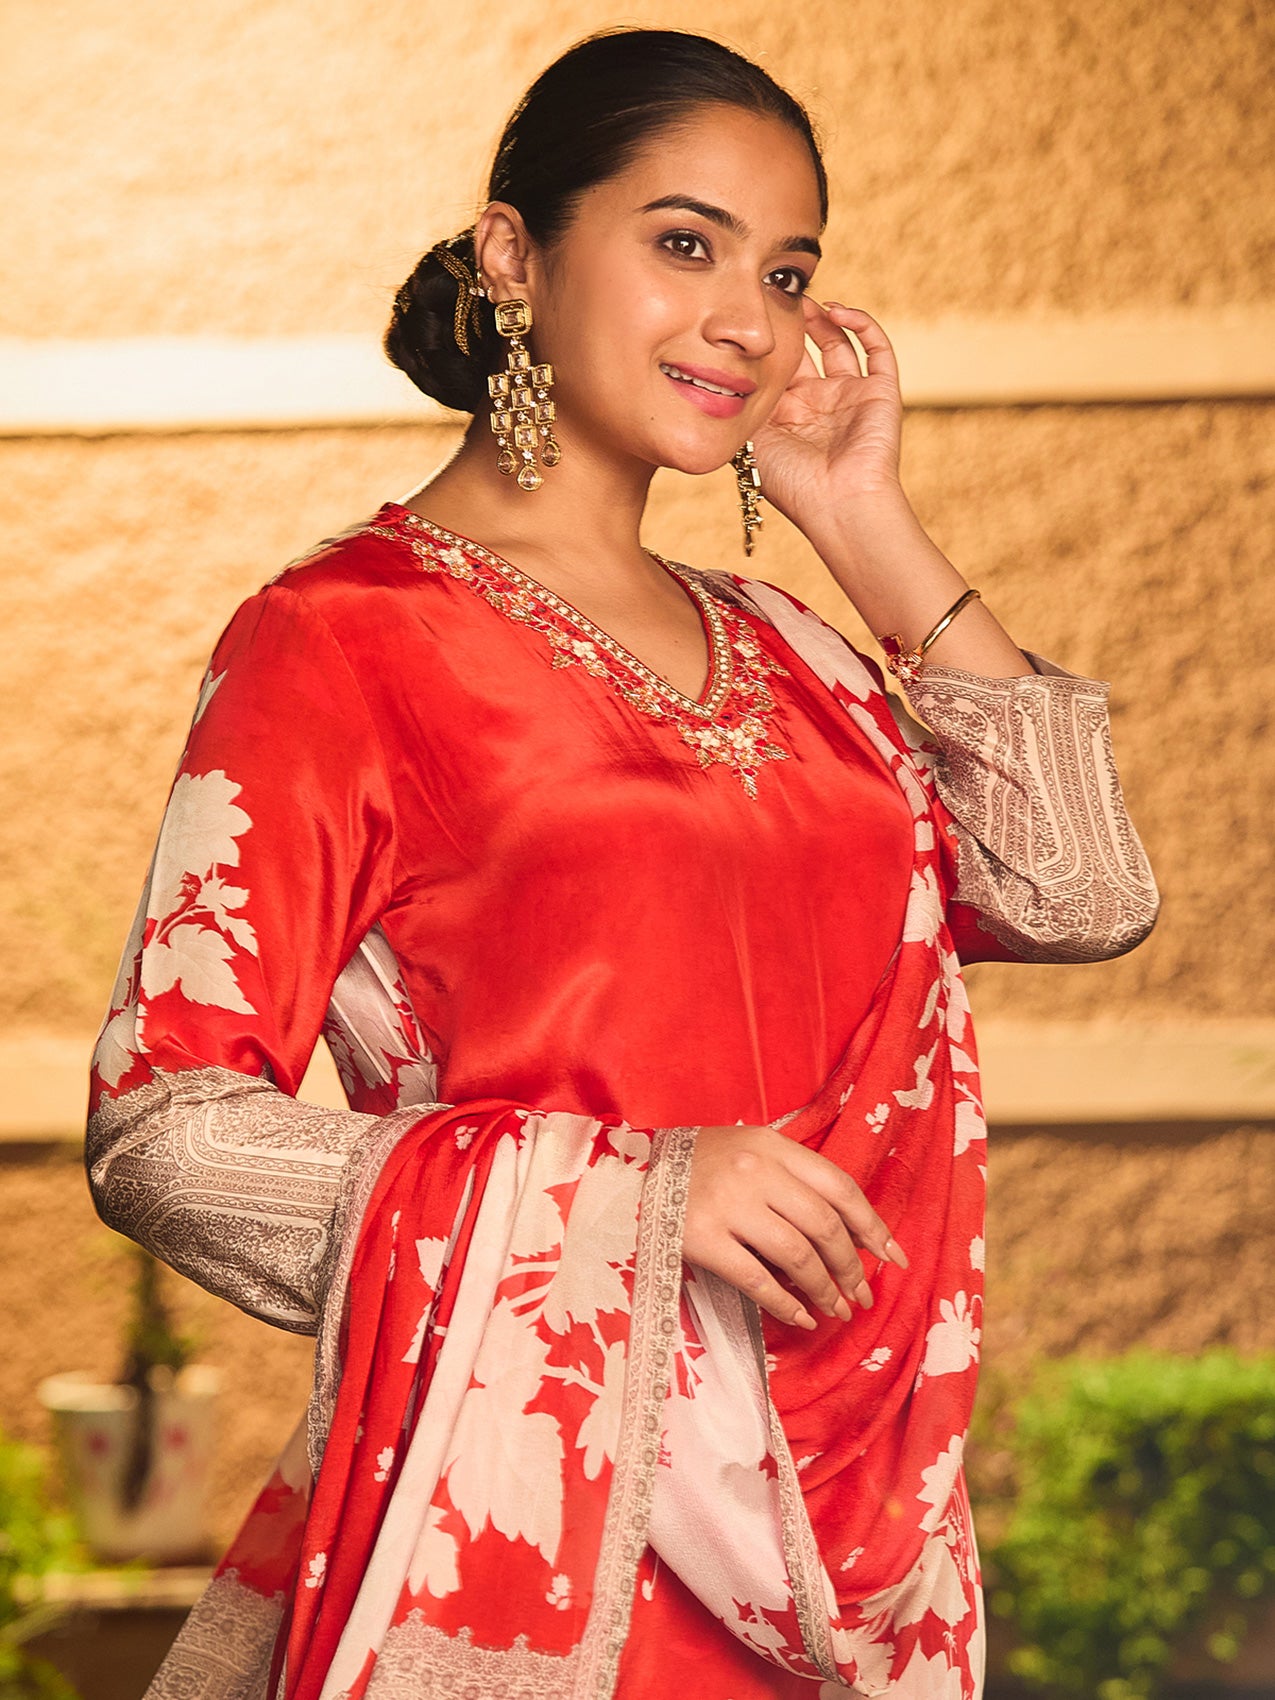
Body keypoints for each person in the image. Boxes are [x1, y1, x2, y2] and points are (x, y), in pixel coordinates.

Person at [85, 27, 1160, 1700]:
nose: (749, 319)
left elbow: (1079, 889)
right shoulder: (343, 639)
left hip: (837, 1517)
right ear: (515, 255)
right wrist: (640, 1196)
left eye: (786, 272)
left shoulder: (796, 651)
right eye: (684, 243)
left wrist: (857, 513)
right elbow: (165, 1133)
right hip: (528, 1517)